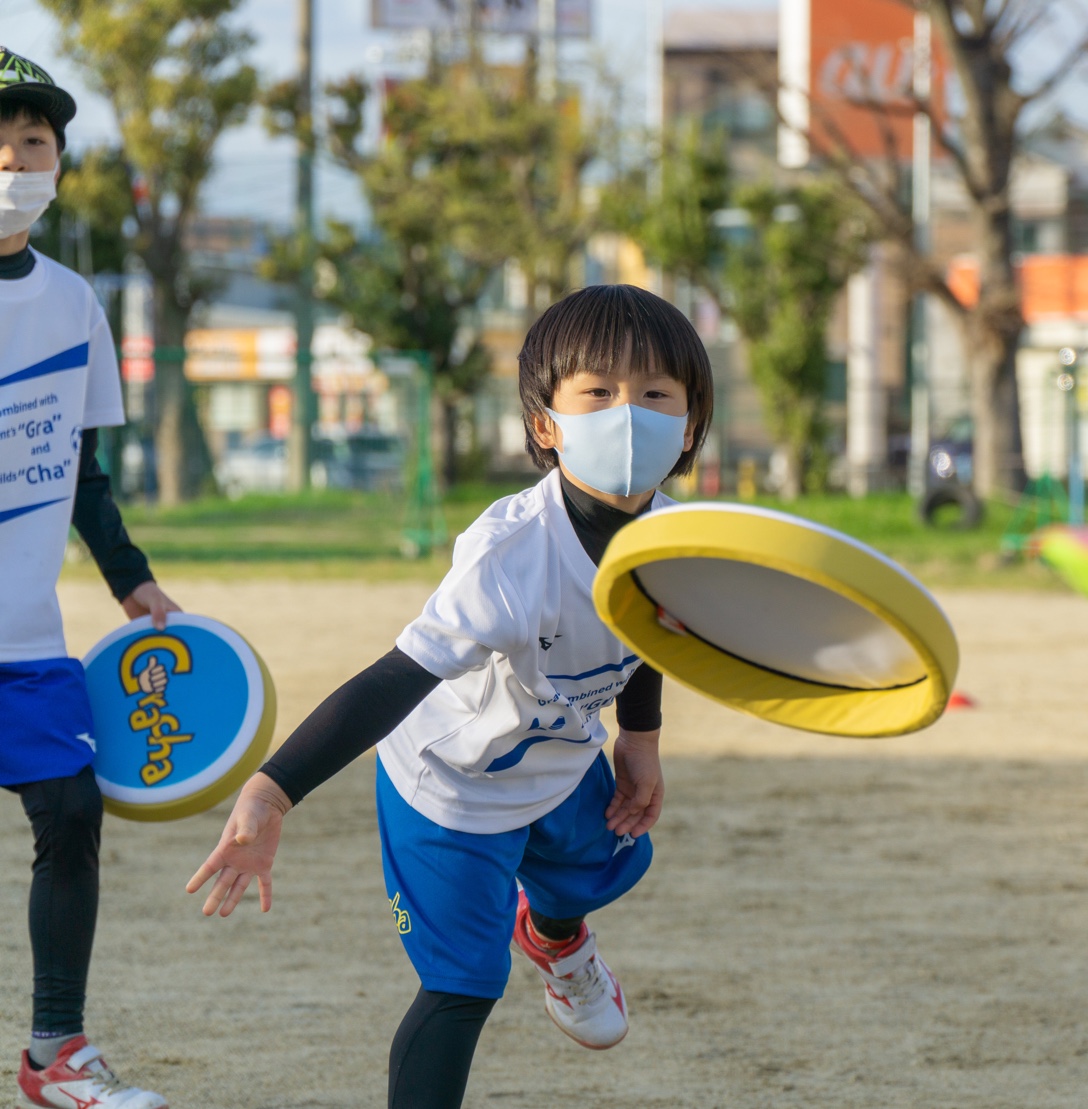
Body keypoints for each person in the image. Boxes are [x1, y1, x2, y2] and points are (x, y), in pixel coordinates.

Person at [188, 284, 713, 1109]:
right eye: (599, 392)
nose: (628, 414)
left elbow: (651, 628)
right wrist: (271, 791)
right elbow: (393, 679)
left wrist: (639, 740)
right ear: (546, 423)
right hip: (450, 784)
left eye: (654, 394)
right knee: (464, 983)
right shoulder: (509, 558)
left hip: (561, 758)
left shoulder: (681, 541)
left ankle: (554, 935)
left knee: (606, 866)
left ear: (688, 424)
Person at [0, 47, 182, 1109]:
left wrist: (133, 581)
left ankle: (55, 1049)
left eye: (31, 144)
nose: (12, 163)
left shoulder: (73, 305)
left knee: (70, 814)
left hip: (24, 633)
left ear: (59, 164)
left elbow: (80, 471)